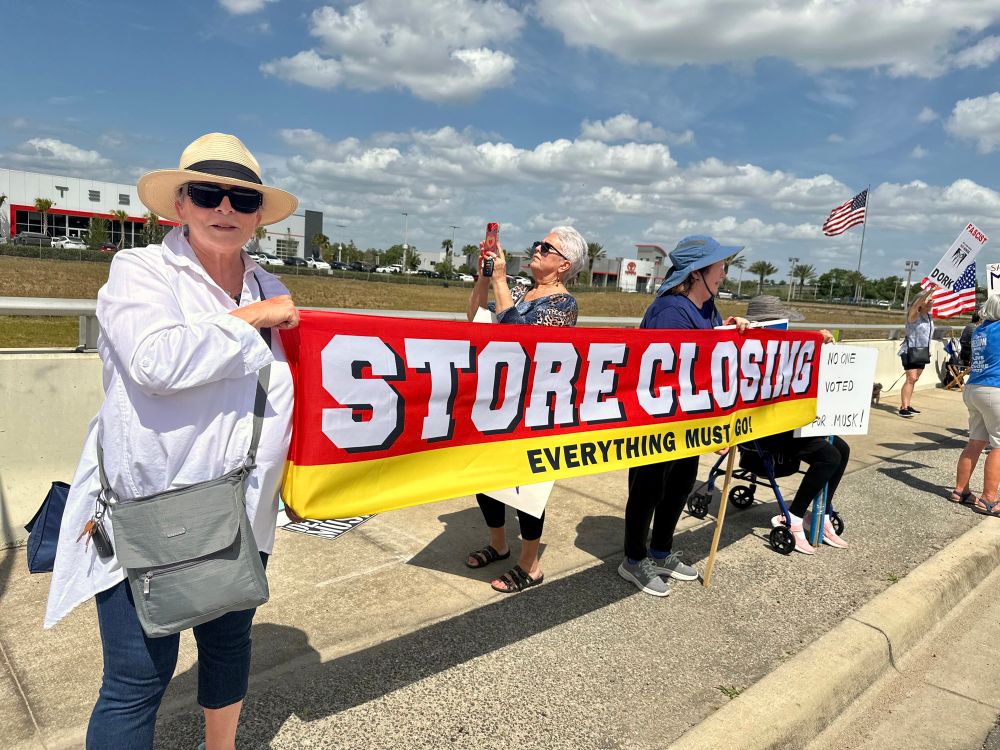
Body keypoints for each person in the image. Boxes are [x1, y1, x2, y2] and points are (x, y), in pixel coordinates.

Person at [44, 133, 301, 750]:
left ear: (259, 216)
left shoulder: (269, 284)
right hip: (151, 512)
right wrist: (253, 319)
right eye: (208, 194)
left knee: (228, 645)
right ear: (181, 204)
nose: (225, 208)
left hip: (242, 511)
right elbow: (155, 362)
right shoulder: (140, 271)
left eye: (243, 200)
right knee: (137, 680)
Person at [618, 235, 749, 597]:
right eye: (719, 266)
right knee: (649, 488)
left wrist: (732, 331)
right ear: (696, 272)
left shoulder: (708, 307)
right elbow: (671, 373)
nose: (724, 273)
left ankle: (661, 551)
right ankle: (633, 559)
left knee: (679, 485)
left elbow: (711, 357)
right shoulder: (670, 311)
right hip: (660, 420)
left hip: (690, 422)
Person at [464, 226, 586, 593]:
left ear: (564, 265)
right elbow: (476, 318)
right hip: (500, 400)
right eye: (538, 243)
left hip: (534, 407)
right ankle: (499, 544)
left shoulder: (564, 305)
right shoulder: (520, 291)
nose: (537, 249)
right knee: (486, 478)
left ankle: (530, 564)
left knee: (526, 487)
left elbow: (521, 339)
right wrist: (484, 278)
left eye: (547, 247)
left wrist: (501, 281)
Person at [952, 297, 1000, 515]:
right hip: (994, 389)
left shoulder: (980, 330)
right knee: (998, 445)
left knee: (975, 442)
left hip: (974, 388)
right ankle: (989, 499)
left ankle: (960, 490)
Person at [898, 288, 934, 418]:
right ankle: (903, 408)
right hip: (910, 350)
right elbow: (915, 305)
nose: (930, 302)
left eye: (931, 300)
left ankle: (907, 404)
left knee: (915, 379)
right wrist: (929, 291)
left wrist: (928, 349)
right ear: (920, 302)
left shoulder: (929, 317)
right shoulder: (914, 315)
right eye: (927, 300)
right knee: (911, 378)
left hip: (922, 352)